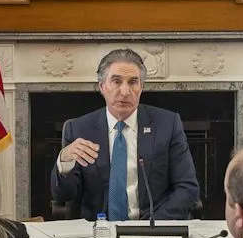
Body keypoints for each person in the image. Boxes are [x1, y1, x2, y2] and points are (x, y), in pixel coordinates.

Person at [50, 48, 201, 222]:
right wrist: (65, 160)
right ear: (102, 87)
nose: (125, 91)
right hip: (98, 232)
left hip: (153, 230)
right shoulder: (79, 129)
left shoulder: (167, 124)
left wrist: (152, 225)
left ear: (141, 87)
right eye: (116, 81)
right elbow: (63, 195)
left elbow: (187, 188)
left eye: (133, 82)